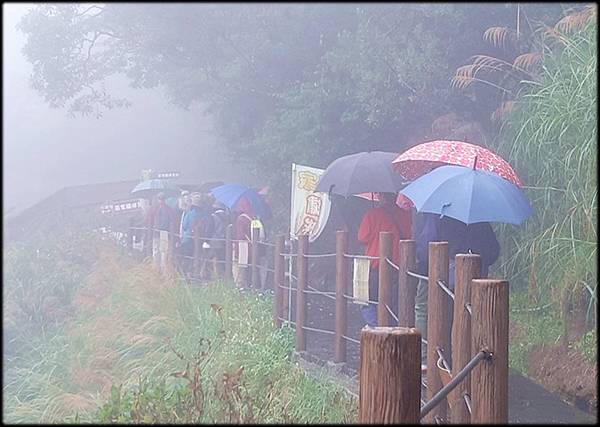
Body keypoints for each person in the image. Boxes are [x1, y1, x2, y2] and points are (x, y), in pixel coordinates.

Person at [414, 212, 500, 366]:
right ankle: (467, 361)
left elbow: (426, 245)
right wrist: (480, 260)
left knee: (423, 308)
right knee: (467, 315)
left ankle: (426, 359)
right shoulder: (480, 218)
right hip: (477, 279)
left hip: (444, 274)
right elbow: (494, 250)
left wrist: (422, 263)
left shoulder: (439, 215)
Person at [357, 192, 412, 326]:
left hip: (374, 264)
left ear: (381, 197)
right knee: (392, 302)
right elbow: (409, 235)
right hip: (397, 265)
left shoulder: (372, 214)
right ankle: (391, 328)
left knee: (367, 300)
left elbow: (362, 237)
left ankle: (375, 328)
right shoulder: (405, 215)